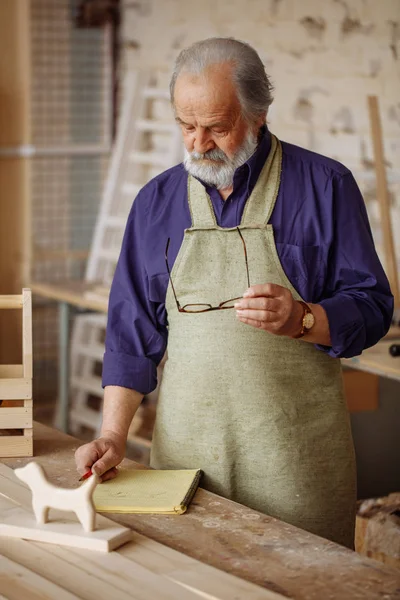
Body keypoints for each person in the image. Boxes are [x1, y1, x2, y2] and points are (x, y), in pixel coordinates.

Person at [75, 38, 393, 548]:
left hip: (297, 466)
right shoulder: (155, 203)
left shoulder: (326, 187)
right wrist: (112, 435)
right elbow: (131, 332)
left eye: (217, 128)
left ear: (259, 113)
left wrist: (305, 319)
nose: (198, 144)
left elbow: (374, 307)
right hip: (183, 463)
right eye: (186, 125)